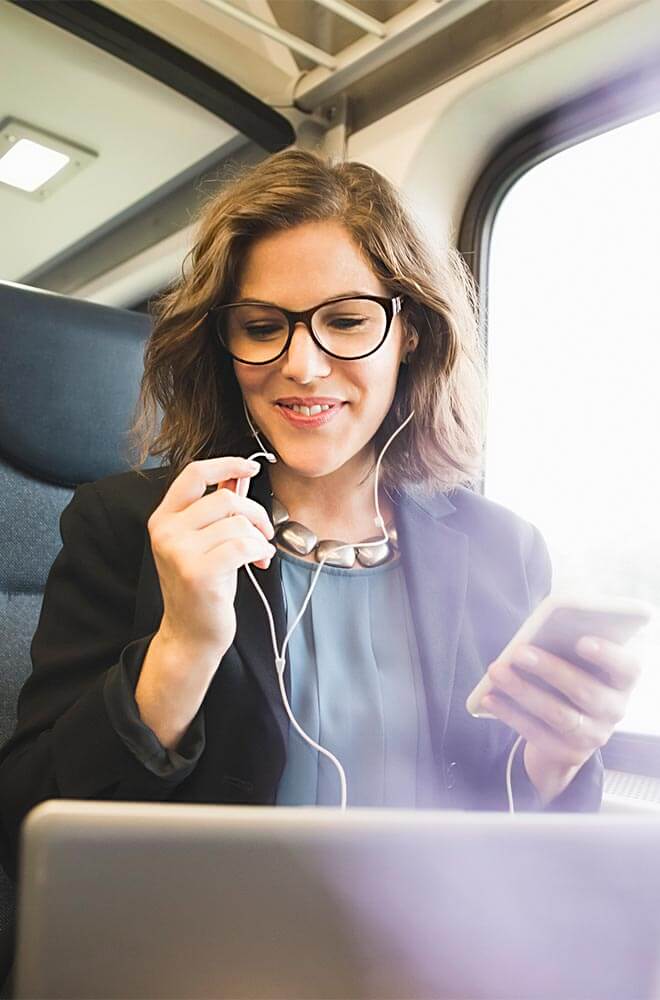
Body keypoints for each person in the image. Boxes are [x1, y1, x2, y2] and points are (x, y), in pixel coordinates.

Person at [0, 148, 642, 987]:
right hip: (204, 971)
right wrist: (183, 646)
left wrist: (557, 758)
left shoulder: (500, 548)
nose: (301, 365)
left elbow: (519, 842)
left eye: (345, 320)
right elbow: (29, 827)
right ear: (225, 345)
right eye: (263, 327)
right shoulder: (129, 525)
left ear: (409, 331)